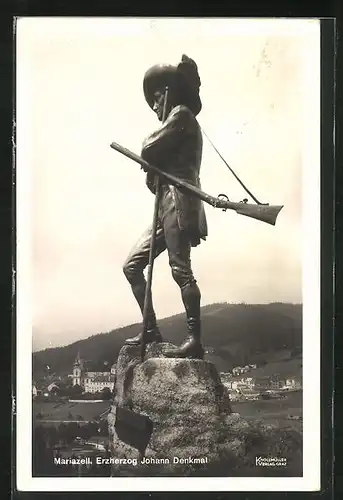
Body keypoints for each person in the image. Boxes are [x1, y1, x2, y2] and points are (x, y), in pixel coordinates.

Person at [123, 55, 207, 359]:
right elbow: (153, 161)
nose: (155, 107)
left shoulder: (182, 115)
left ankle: (194, 339)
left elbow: (148, 148)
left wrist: (152, 163)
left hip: (179, 202)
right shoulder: (178, 121)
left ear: (168, 93)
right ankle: (150, 329)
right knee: (132, 265)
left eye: (157, 99)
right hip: (164, 205)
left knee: (180, 270)